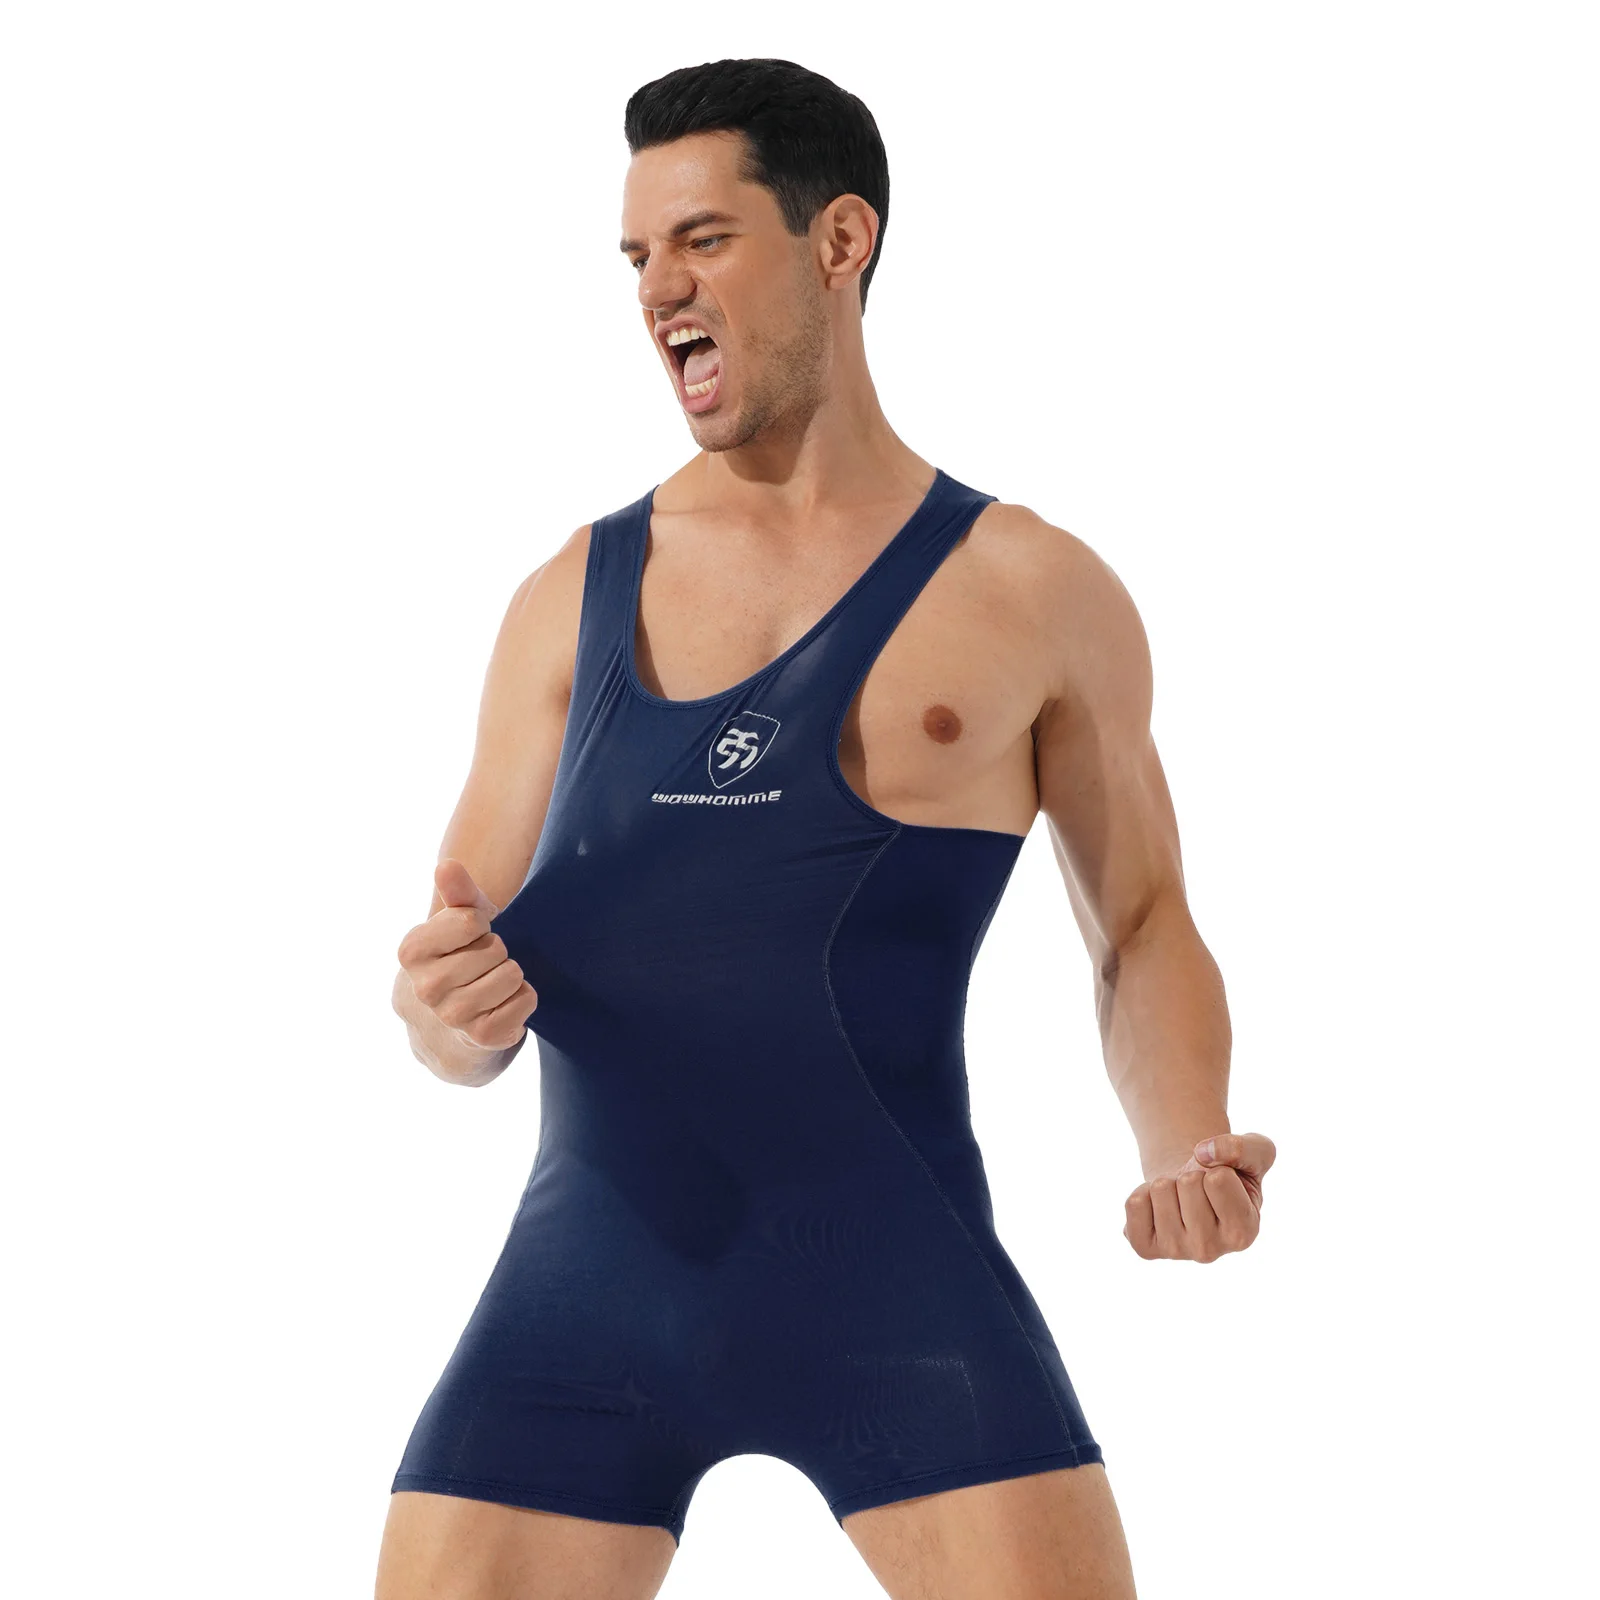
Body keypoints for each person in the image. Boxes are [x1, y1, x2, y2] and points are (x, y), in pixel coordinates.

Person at [376, 56, 1276, 1600]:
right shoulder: (566, 599)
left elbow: (1139, 921)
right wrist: (443, 1019)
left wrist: (1184, 1136)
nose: (657, 287)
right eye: (636, 254)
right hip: (586, 1306)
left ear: (840, 240)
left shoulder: (1031, 590)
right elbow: (457, 1000)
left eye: (703, 239)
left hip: (902, 1297)